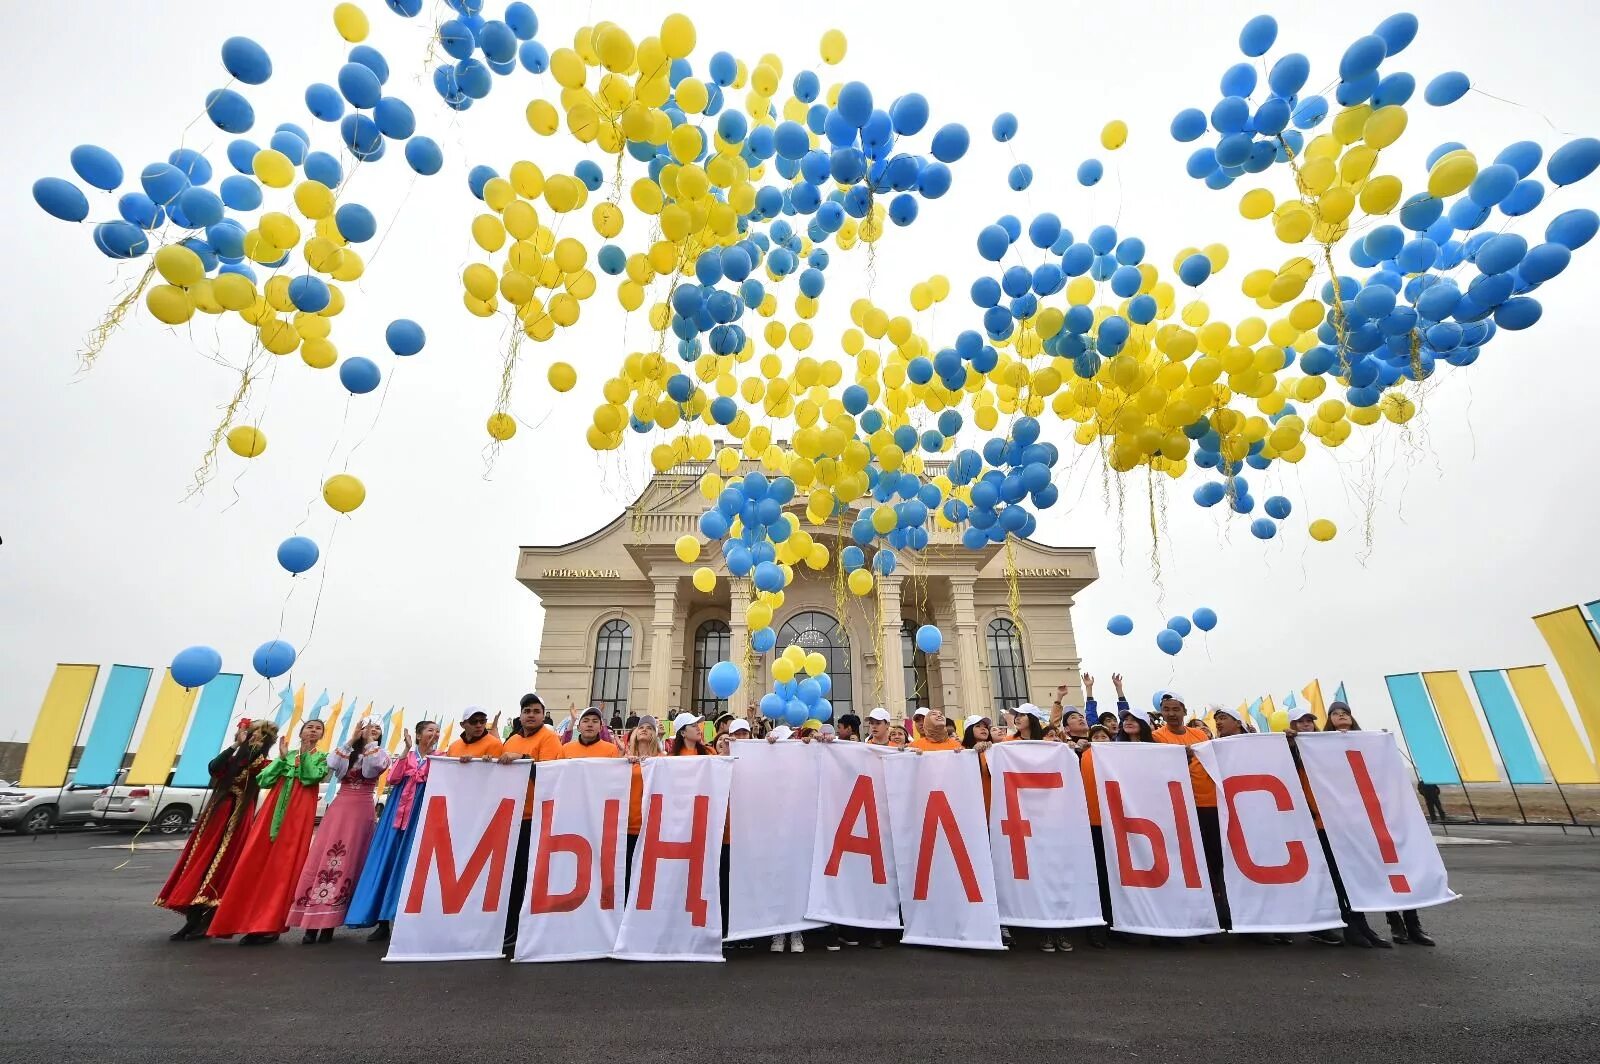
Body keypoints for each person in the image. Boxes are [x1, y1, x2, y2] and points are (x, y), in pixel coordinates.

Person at [1320, 702, 1436, 947]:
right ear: (1330, 720)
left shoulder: (1367, 742)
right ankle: (1395, 924)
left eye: (1345, 713)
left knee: (1401, 867)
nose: (1341, 716)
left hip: (1380, 814)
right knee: (1382, 872)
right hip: (1354, 820)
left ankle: (1413, 924)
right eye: (1336, 713)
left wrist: (1381, 742)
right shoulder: (1323, 746)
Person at [208, 720, 330, 945]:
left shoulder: (322, 757)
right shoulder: (286, 753)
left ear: (322, 735)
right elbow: (264, 779)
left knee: (284, 865)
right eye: (309, 727)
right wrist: (282, 759)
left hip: (298, 812)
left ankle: (269, 925)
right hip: (272, 810)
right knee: (255, 860)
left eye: (318, 728)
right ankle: (243, 920)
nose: (313, 730)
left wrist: (302, 756)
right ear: (301, 731)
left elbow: (311, 777)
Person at [158, 718, 279, 940]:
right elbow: (214, 768)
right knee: (200, 860)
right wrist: (235, 745)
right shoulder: (233, 758)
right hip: (215, 815)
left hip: (236, 815)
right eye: (253, 733)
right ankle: (193, 920)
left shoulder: (262, 762)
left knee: (220, 863)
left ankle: (205, 920)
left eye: (261, 735)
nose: (255, 737)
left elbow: (262, 775)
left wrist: (252, 749)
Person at [288, 717, 391, 943]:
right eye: (368, 728)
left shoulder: (380, 754)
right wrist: (353, 739)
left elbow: (375, 767)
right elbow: (332, 764)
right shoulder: (346, 753)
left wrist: (371, 743)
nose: (372, 731)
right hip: (339, 808)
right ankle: (311, 923)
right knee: (323, 858)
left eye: (377, 730)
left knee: (349, 862)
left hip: (361, 811)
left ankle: (330, 925)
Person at [1286, 705, 1379, 947]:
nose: (1306, 725)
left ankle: (1362, 925)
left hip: (1344, 822)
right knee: (1335, 877)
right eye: (1300, 722)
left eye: (1309, 721)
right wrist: (1292, 744)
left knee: (1353, 874)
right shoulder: (1295, 749)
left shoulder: (1325, 745)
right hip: (1319, 823)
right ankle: (1348, 925)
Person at [347, 719, 440, 942]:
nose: (434, 734)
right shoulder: (406, 756)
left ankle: (406, 922)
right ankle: (381, 922)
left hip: (420, 815)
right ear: (418, 735)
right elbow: (392, 778)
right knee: (387, 861)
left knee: (412, 866)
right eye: (430, 730)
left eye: (437, 731)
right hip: (395, 816)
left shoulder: (440, 758)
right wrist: (407, 749)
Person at [1152, 691, 1228, 931]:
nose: (1171, 714)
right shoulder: (1156, 737)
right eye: (1166, 710)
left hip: (1208, 806)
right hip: (1177, 807)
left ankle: (1218, 913)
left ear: (1184, 711)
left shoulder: (1199, 735)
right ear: (1161, 713)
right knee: (1186, 861)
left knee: (1214, 860)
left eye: (1176, 709)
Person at [499, 693, 565, 953]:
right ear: (520, 714)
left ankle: (528, 929)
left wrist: (523, 758)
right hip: (512, 817)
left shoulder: (549, 739)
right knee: (511, 876)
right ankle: (510, 927)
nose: (531, 715)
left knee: (530, 875)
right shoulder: (511, 740)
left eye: (536, 711)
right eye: (527, 711)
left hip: (536, 817)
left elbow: (551, 776)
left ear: (543, 714)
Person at [623, 715, 663, 890]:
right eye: (641, 727)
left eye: (649, 727)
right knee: (625, 878)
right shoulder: (623, 760)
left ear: (655, 735)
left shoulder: (663, 759)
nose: (644, 729)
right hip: (626, 828)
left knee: (647, 881)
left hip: (651, 829)